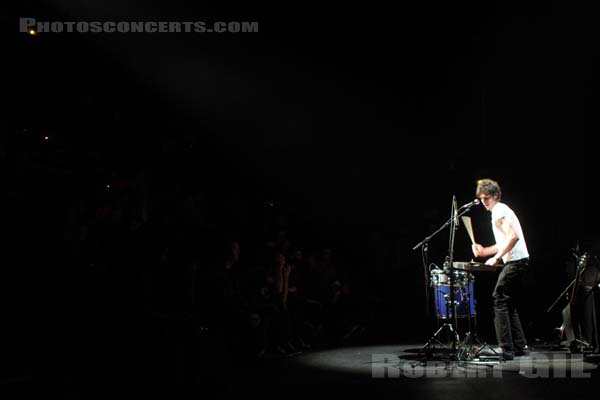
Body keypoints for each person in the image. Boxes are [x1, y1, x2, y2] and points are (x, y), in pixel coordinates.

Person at [471, 179, 529, 360]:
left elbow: (513, 237)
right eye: (481, 199)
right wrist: (485, 251)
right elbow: (504, 241)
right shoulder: (499, 210)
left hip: (516, 261)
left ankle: (507, 349)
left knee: (499, 299)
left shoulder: (499, 210)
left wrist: (496, 258)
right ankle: (519, 345)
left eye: (486, 198)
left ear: (496, 195)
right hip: (519, 261)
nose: (483, 202)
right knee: (507, 303)